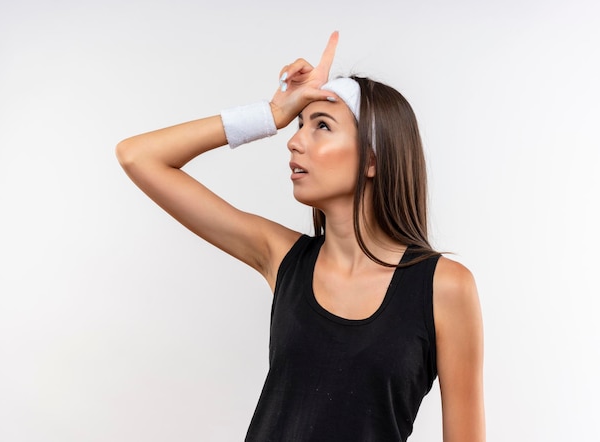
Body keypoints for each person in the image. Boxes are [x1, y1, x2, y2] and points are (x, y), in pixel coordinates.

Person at [116, 31, 485, 442]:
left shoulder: (443, 287)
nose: (293, 141)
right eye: (298, 125)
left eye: (322, 126)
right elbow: (139, 157)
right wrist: (269, 113)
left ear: (373, 159)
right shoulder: (282, 257)